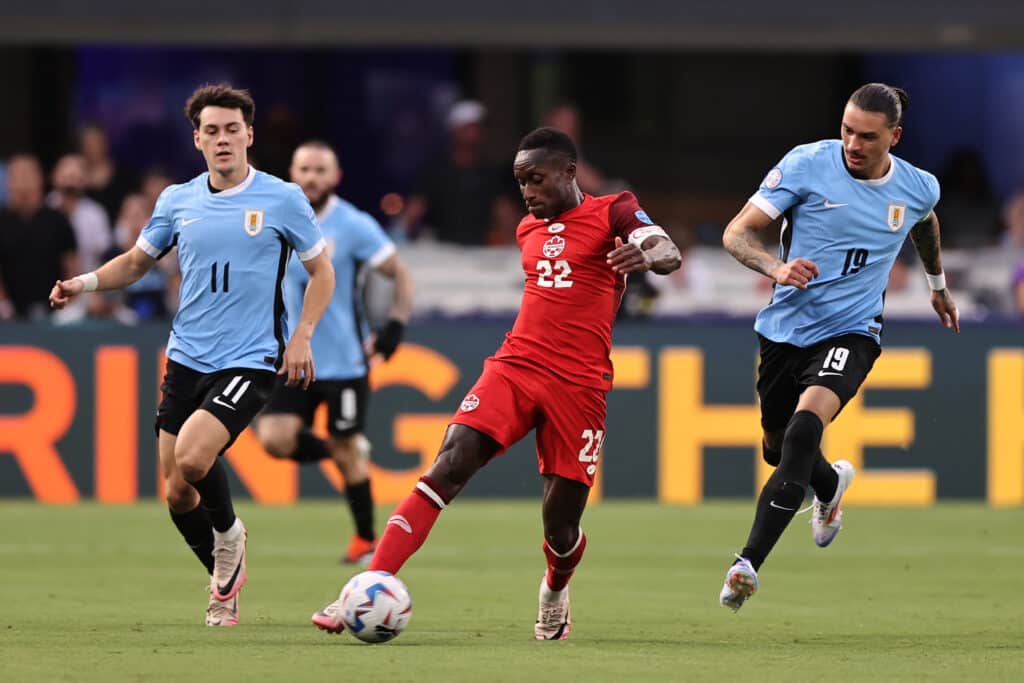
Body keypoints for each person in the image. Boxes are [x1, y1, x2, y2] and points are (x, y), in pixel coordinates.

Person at [310, 127, 682, 639]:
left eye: (535, 179)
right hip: (515, 365)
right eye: (519, 181)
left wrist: (647, 253)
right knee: (451, 461)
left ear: (569, 172)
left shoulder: (612, 210)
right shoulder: (529, 228)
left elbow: (666, 251)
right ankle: (370, 582)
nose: (526, 192)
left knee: (560, 524)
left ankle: (554, 586)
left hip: (578, 385)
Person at [49, 84, 335, 626]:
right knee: (178, 494)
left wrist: (302, 335)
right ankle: (223, 584)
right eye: (212, 131)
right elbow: (136, 263)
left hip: (250, 357)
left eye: (232, 129)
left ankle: (229, 538)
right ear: (197, 139)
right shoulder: (177, 200)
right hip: (186, 358)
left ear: (249, 136)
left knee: (194, 457)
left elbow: (323, 271)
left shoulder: (282, 198)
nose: (223, 139)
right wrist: (82, 283)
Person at [718, 83, 960, 612]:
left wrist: (937, 285)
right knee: (780, 450)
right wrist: (776, 267)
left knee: (807, 428)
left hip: (853, 331)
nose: (852, 142)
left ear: (894, 137)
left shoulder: (918, 186)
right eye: (847, 130)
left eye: (867, 136)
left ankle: (747, 565)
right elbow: (737, 234)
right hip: (784, 329)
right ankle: (829, 487)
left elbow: (924, 222)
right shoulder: (806, 164)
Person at [255, 140, 414, 564]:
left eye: (320, 170)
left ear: (335, 176)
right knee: (273, 439)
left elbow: (400, 274)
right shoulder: (273, 218)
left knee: (346, 454)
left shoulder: (353, 224)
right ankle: (345, 448)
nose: (311, 177)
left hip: (344, 360)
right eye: (304, 169)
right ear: (292, 172)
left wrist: (395, 325)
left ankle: (365, 540)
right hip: (291, 357)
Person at [395, 100, 520, 246]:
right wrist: (398, 235)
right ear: (454, 130)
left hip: (481, 253)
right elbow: (414, 209)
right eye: (468, 127)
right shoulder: (436, 171)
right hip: (443, 252)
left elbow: (505, 213)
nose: (473, 132)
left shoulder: (491, 173)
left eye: (478, 127)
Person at [0, 154, 78, 320]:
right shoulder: (2, 221)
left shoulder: (58, 220)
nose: (23, 181)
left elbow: (71, 266)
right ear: (8, 182)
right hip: (9, 315)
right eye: (17, 175)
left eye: (28, 174)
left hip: (56, 312)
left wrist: (67, 303)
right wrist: (4, 305)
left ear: (40, 179)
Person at [79, 122, 137, 224]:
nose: (92, 147)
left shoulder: (123, 175)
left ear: (105, 143)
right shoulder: (76, 178)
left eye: (96, 141)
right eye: (88, 143)